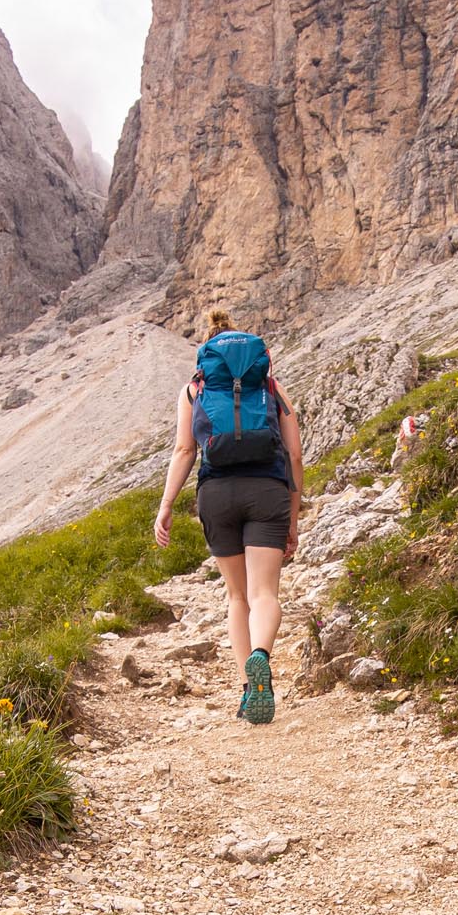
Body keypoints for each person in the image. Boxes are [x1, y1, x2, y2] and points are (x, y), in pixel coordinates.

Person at [155, 311, 304, 725]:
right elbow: (293, 454)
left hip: (216, 495)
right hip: (268, 491)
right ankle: (262, 656)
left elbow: (185, 451)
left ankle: (247, 689)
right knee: (264, 594)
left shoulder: (194, 390)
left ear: (208, 351)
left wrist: (166, 505)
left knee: (236, 597)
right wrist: (292, 516)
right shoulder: (272, 388)